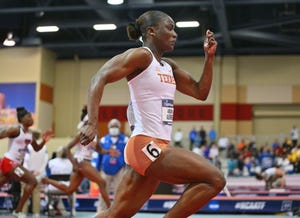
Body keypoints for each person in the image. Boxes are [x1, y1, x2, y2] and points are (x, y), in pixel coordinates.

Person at [80, 10, 225, 218]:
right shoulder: (141, 56)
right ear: (151, 31)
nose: (175, 34)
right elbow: (98, 78)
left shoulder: (168, 66)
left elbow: (200, 92)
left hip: (156, 146)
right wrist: (92, 123)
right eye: (170, 28)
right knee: (215, 179)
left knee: (115, 215)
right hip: (145, 145)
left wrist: (209, 58)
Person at [42, 110, 111, 210]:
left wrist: (109, 152)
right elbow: (67, 148)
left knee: (69, 190)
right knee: (102, 182)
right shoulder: (81, 133)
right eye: (89, 122)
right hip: (81, 162)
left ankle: (46, 180)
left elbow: (99, 149)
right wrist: (74, 164)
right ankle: (111, 210)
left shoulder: (96, 134)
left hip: (84, 163)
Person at [0, 107, 53, 218]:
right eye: (28, 116)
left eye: (31, 116)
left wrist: (44, 140)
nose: (31, 118)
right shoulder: (16, 129)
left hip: (15, 165)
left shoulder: (30, 134)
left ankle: (18, 211)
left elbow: (37, 148)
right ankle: (18, 211)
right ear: (22, 119)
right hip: (9, 163)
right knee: (32, 181)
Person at [97, 118, 128, 213]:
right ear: (108, 127)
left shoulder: (125, 139)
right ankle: (101, 211)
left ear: (119, 127)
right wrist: (97, 168)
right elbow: (99, 154)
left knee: (118, 192)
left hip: (119, 170)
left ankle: (117, 211)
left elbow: (128, 154)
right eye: (112, 126)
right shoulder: (103, 140)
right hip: (105, 169)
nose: (114, 128)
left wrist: (127, 168)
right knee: (103, 191)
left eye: (115, 126)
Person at [22, 131, 49, 218]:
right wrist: (39, 171)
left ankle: (23, 213)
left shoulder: (28, 146)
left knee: (24, 193)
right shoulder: (44, 147)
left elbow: (26, 160)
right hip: (38, 174)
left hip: (28, 174)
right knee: (36, 194)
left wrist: (29, 172)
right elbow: (45, 161)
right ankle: (36, 214)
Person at [46, 146, 73, 216]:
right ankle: (72, 210)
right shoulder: (71, 162)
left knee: (46, 191)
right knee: (73, 190)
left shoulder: (51, 162)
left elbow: (48, 174)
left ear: (58, 153)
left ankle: (50, 207)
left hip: (53, 187)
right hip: (67, 187)